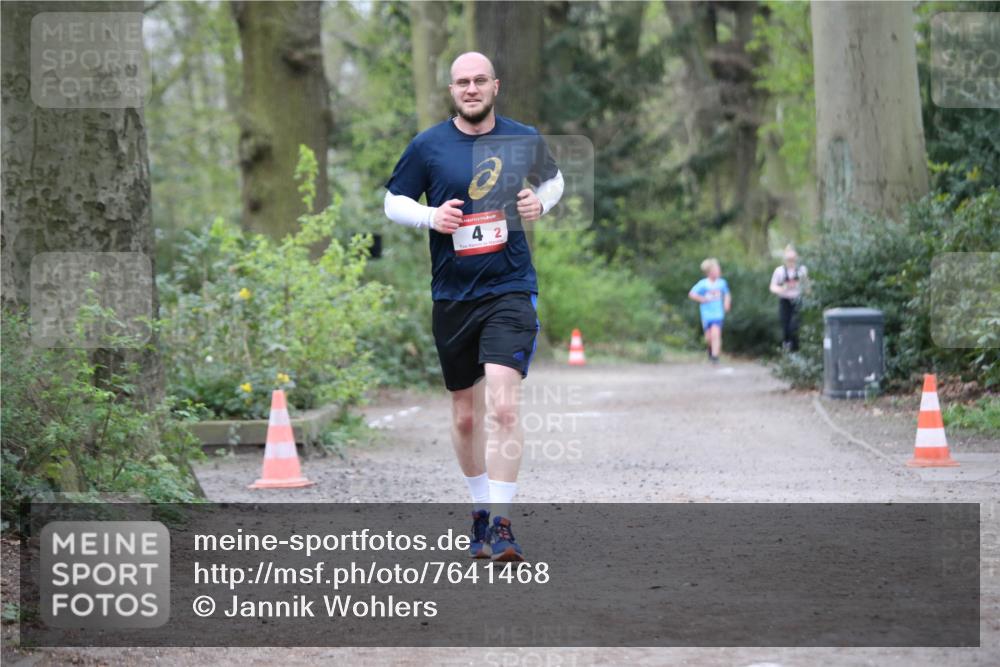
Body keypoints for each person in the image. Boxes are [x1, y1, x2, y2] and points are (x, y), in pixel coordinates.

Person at [383, 52, 564, 562]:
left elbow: (554, 181)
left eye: (479, 80)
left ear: (494, 86)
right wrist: (429, 217)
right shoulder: (428, 145)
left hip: (510, 287)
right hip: (453, 295)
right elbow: (393, 201)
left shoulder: (522, 138)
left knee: (503, 407)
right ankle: (480, 511)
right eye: (462, 82)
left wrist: (541, 203)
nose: (471, 88)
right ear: (452, 90)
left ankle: (502, 525)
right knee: (465, 417)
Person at [688, 258, 731, 364]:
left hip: (718, 313)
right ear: (709, 272)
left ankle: (715, 357)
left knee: (716, 334)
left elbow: (727, 294)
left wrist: (726, 303)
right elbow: (692, 294)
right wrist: (702, 299)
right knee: (709, 337)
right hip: (706, 314)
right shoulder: (703, 284)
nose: (718, 271)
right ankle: (711, 351)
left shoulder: (722, 283)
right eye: (715, 270)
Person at [769, 245, 808, 352]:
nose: (791, 261)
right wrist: (782, 288)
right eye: (789, 259)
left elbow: (807, 287)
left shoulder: (802, 270)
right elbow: (772, 287)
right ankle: (787, 350)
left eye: (792, 259)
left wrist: (804, 290)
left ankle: (796, 351)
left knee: (794, 327)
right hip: (784, 302)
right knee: (785, 327)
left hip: (798, 301)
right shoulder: (779, 271)